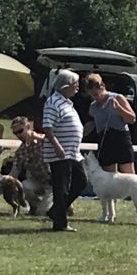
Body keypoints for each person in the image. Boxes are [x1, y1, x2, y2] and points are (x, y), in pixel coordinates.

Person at [83, 74, 137, 221]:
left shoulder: (117, 98)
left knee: (130, 177)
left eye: (96, 94)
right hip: (105, 140)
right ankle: (110, 214)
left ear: (102, 87)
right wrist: (79, 134)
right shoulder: (93, 107)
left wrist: (120, 109)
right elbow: (91, 124)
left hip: (121, 138)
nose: (95, 98)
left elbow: (132, 118)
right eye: (92, 96)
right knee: (110, 180)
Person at [43, 70, 86, 232]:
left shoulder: (67, 102)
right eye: (75, 84)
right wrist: (57, 146)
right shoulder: (52, 102)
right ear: (66, 86)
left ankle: (56, 211)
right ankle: (60, 222)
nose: (77, 88)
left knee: (81, 181)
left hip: (73, 152)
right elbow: (48, 127)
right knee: (62, 187)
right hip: (60, 152)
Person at [8, 116, 52, 215]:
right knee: (23, 186)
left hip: (53, 183)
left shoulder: (45, 141)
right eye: (15, 133)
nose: (18, 135)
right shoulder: (21, 151)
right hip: (38, 181)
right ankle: (37, 207)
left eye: (20, 131)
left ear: (28, 127)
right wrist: (7, 183)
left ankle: (63, 204)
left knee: (44, 212)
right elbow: (14, 172)